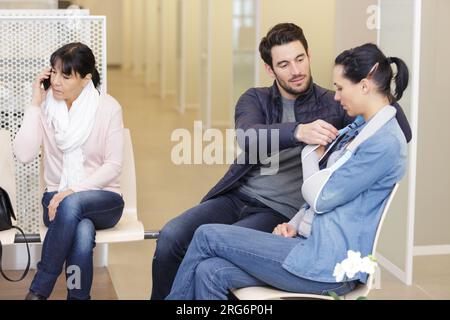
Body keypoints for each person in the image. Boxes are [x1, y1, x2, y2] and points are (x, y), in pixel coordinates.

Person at [151, 23, 411, 300]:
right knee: (171, 235)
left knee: (211, 253)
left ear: (309, 56)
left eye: (300, 59)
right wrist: (300, 132)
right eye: (284, 64)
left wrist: (374, 83)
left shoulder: (335, 104)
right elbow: (249, 137)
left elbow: (395, 130)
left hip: (279, 211)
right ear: (270, 69)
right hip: (238, 197)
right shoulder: (255, 98)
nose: (296, 70)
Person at [14, 43, 125, 300]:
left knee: (71, 205)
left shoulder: (108, 108)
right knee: (83, 232)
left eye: (66, 75)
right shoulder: (46, 108)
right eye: (53, 72)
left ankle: (38, 291)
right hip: (55, 199)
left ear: (86, 79)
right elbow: (23, 153)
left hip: (103, 199)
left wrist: (71, 192)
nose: (56, 81)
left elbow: (113, 166)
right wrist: (34, 102)